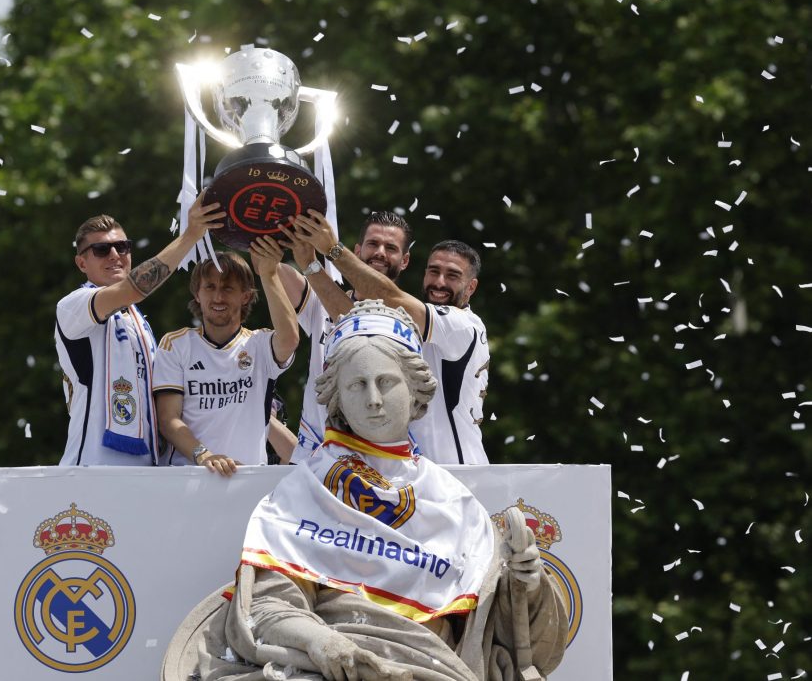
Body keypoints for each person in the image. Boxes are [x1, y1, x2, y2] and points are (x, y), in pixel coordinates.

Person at [162, 301, 567, 681]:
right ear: (337, 398)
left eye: (386, 382)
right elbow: (266, 607)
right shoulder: (307, 486)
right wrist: (320, 641)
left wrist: (526, 585)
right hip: (330, 667)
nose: (373, 399)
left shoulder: (453, 500)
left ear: (415, 390)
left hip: (430, 668)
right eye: (357, 385)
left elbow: (508, 638)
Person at [291, 210, 491, 465]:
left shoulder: (462, 325)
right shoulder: (417, 320)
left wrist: (333, 249)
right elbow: (354, 320)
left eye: (452, 275)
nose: (439, 282)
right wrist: (310, 266)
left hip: (457, 471)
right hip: (416, 472)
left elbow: (389, 297)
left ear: (471, 287)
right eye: (433, 271)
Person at [54, 191, 224, 466]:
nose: (115, 255)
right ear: (81, 263)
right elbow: (134, 288)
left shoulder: (137, 320)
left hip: (147, 469)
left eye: (122, 247)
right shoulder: (73, 305)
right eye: (101, 249)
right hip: (92, 468)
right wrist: (190, 236)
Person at [275, 211, 414, 463]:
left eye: (391, 248)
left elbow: (361, 328)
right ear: (358, 250)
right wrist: (270, 231)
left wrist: (317, 261)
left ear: (404, 261)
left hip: (378, 460)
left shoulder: (410, 318)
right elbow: (272, 269)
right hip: (316, 455)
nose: (380, 252)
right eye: (373, 244)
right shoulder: (319, 302)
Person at [153, 236, 299, 476]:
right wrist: (205, 456)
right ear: (197, 294)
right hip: (187, 479)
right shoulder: (176, 344)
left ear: (245, 296)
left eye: (228, 288)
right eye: (210, 287)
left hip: (248, 480)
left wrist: (269, 274)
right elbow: (168, 419)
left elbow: (290, 339)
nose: (218, 297)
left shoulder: (260, 344)